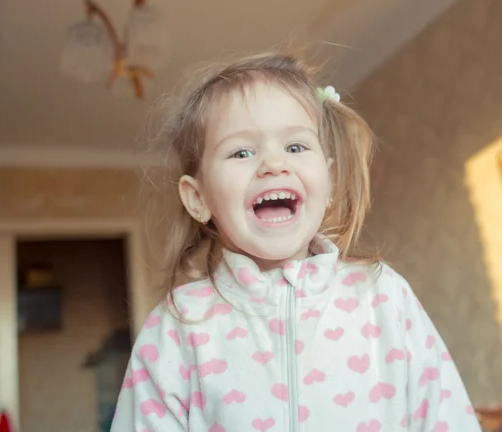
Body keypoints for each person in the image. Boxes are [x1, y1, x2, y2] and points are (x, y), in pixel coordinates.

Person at [110, 53, 480, 431]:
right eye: (242, 152)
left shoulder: (383, 297)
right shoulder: (177, 326)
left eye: (296, 147)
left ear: (330, 180)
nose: (273, 164)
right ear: (198, 198)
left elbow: (446, 418)